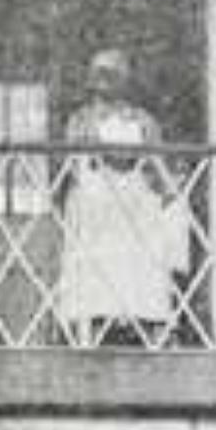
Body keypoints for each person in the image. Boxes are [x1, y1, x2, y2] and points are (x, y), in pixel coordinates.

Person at [57, 47, 183, 344]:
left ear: (125, 79)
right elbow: (70, 166)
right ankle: (88, 329)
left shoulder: (142, 120)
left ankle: (150, 328)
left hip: (134, 202)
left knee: (142, 259)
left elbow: (157, 165)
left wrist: (169, 192)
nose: (104, 79)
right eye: (99, 72)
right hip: (96, 200)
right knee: (93, 265)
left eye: (112, 73)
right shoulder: (81, 119)